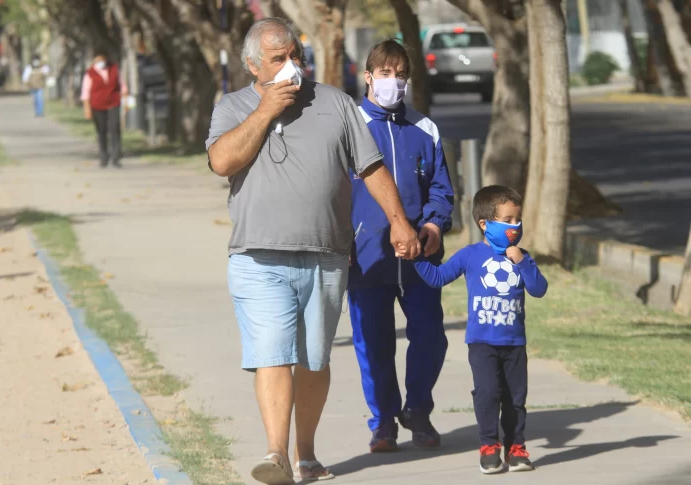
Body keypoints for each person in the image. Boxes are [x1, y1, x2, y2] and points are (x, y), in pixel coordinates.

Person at [206, 18, 421, 485]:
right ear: (251, 65)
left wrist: (400, 222)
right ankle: (275, 454)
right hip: (258, 256)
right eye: (277, 60)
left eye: (295, 56)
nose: (291, 67)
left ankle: (305, 454)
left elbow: (371, 168)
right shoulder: (233, 107)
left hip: (326, 255)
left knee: (314, 360)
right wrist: (265, 110)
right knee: (272, 354)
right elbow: (222, 161)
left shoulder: (336, 104)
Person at [347, 39, 454, 453]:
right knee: (373, 343)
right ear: (369, 77)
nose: (394, 82)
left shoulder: (424, 129)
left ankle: (418, 411)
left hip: (421, 259)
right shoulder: (350, 126)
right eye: (386, 74)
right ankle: (383, 422)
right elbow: (333, 192)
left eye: (401, 75)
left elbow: (442, 189)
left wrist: (433, 224)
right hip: (366, 258)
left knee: (431, 337)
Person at [412, 185, 548, 474]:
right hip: (482, 342)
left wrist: (522, 262)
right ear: (485, 224)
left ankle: (516, 447)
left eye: (518, 220)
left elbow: (539, 289)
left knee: (515, 398)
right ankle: (489, 445)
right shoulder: (470, 255)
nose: (515, 226)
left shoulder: (522, 256)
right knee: (487, 393)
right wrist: (415, 258)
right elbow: (437, 278)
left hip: (514, 342)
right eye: (508, 220)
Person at [80, 52, 128, 168]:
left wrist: (126, 101)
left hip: (113, 103)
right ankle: (103, 156)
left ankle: (116, 157)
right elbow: (85, 93)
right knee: (102, 130)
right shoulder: (90, 73)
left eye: (102, 60)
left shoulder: (114, 69)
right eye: (98, 60)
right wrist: (87, 110)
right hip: (97, 105)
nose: (101, 62)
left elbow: (122, 86)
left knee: (115, 128)